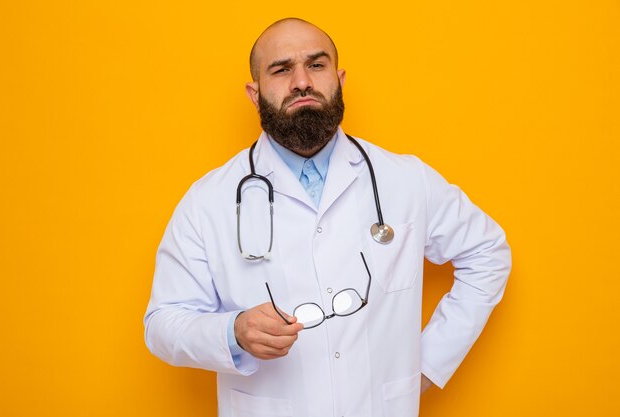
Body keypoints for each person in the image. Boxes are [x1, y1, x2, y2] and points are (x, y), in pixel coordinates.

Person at [143, 17, 511, 417]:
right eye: (281, 69)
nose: (301, 81)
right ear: (254, 93)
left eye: (316, 65)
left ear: (339, 79)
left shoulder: (406, 179)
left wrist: (429, 364)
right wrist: (232, 332)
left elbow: (488, 253)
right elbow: (162, 324)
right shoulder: (208, 200)